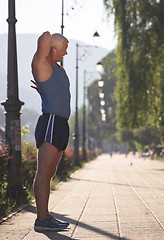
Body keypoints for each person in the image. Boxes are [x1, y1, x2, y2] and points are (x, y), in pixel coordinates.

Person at [31, 31, 71, 231]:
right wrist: (55, 37)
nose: (65, 54)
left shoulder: (58, 70)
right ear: (53, 48)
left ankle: (45, 215)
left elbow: (58, 94)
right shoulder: (41, 65)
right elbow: (45, 37)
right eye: (63, 49)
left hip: (62, 124)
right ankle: (41, 219)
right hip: (51, 122)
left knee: (51, 172)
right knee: (44, 171)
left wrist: (44, 90)